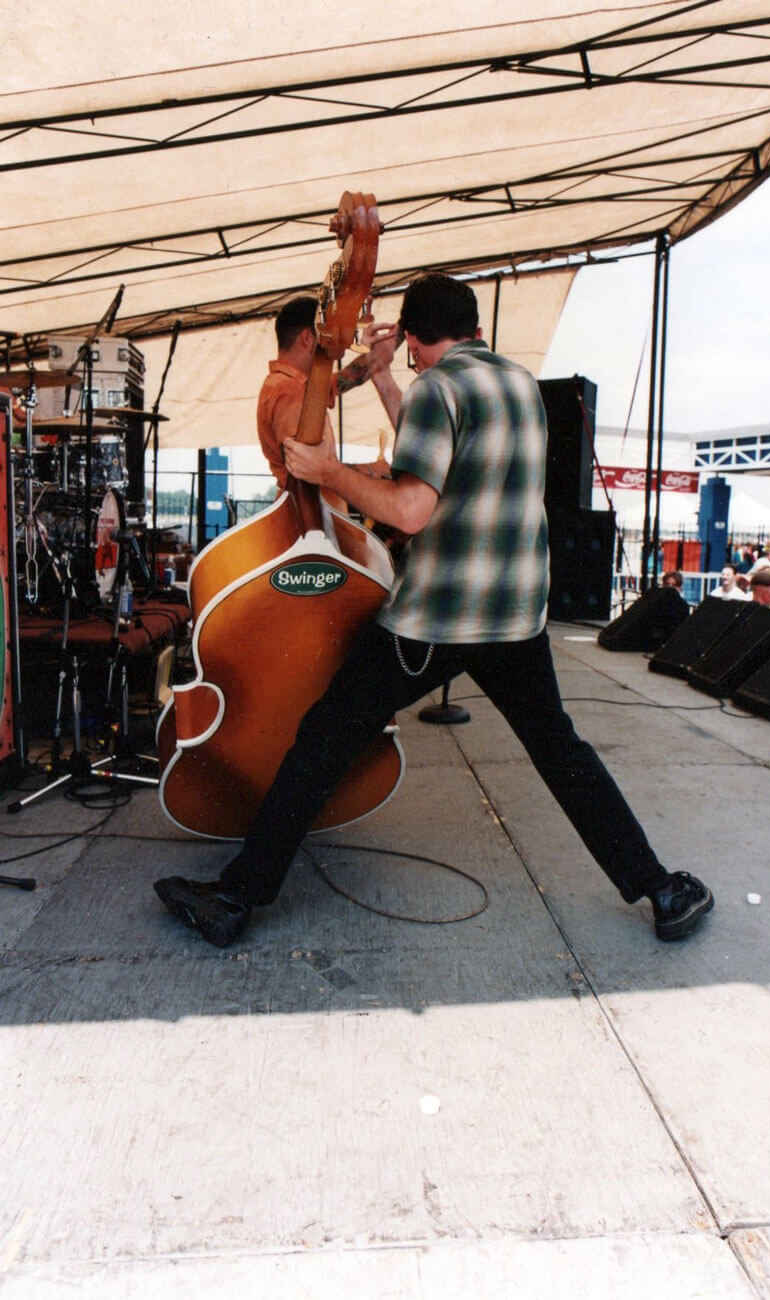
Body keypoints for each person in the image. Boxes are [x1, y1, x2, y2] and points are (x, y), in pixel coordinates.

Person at [154, 274, 713, 948]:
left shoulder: (437, 389)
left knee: (325, 737)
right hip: (514, 617)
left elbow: (412, 509)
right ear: (472, 326)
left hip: (437, 618)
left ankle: (237, 897)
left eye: (408, 349)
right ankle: (662, 889)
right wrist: (388, 381)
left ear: (417, 337)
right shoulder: (518, 386)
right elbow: (441, 454)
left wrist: (328, 471)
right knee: (563, 753)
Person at [256, 297, 397, 493]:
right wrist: (371, 470)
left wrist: (393, 340)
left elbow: (348, 378)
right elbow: (306, 471)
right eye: (329, 338)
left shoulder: (299, 385)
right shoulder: (289, 390)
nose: (334, 348)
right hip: (308, 518)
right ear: (308, 339)